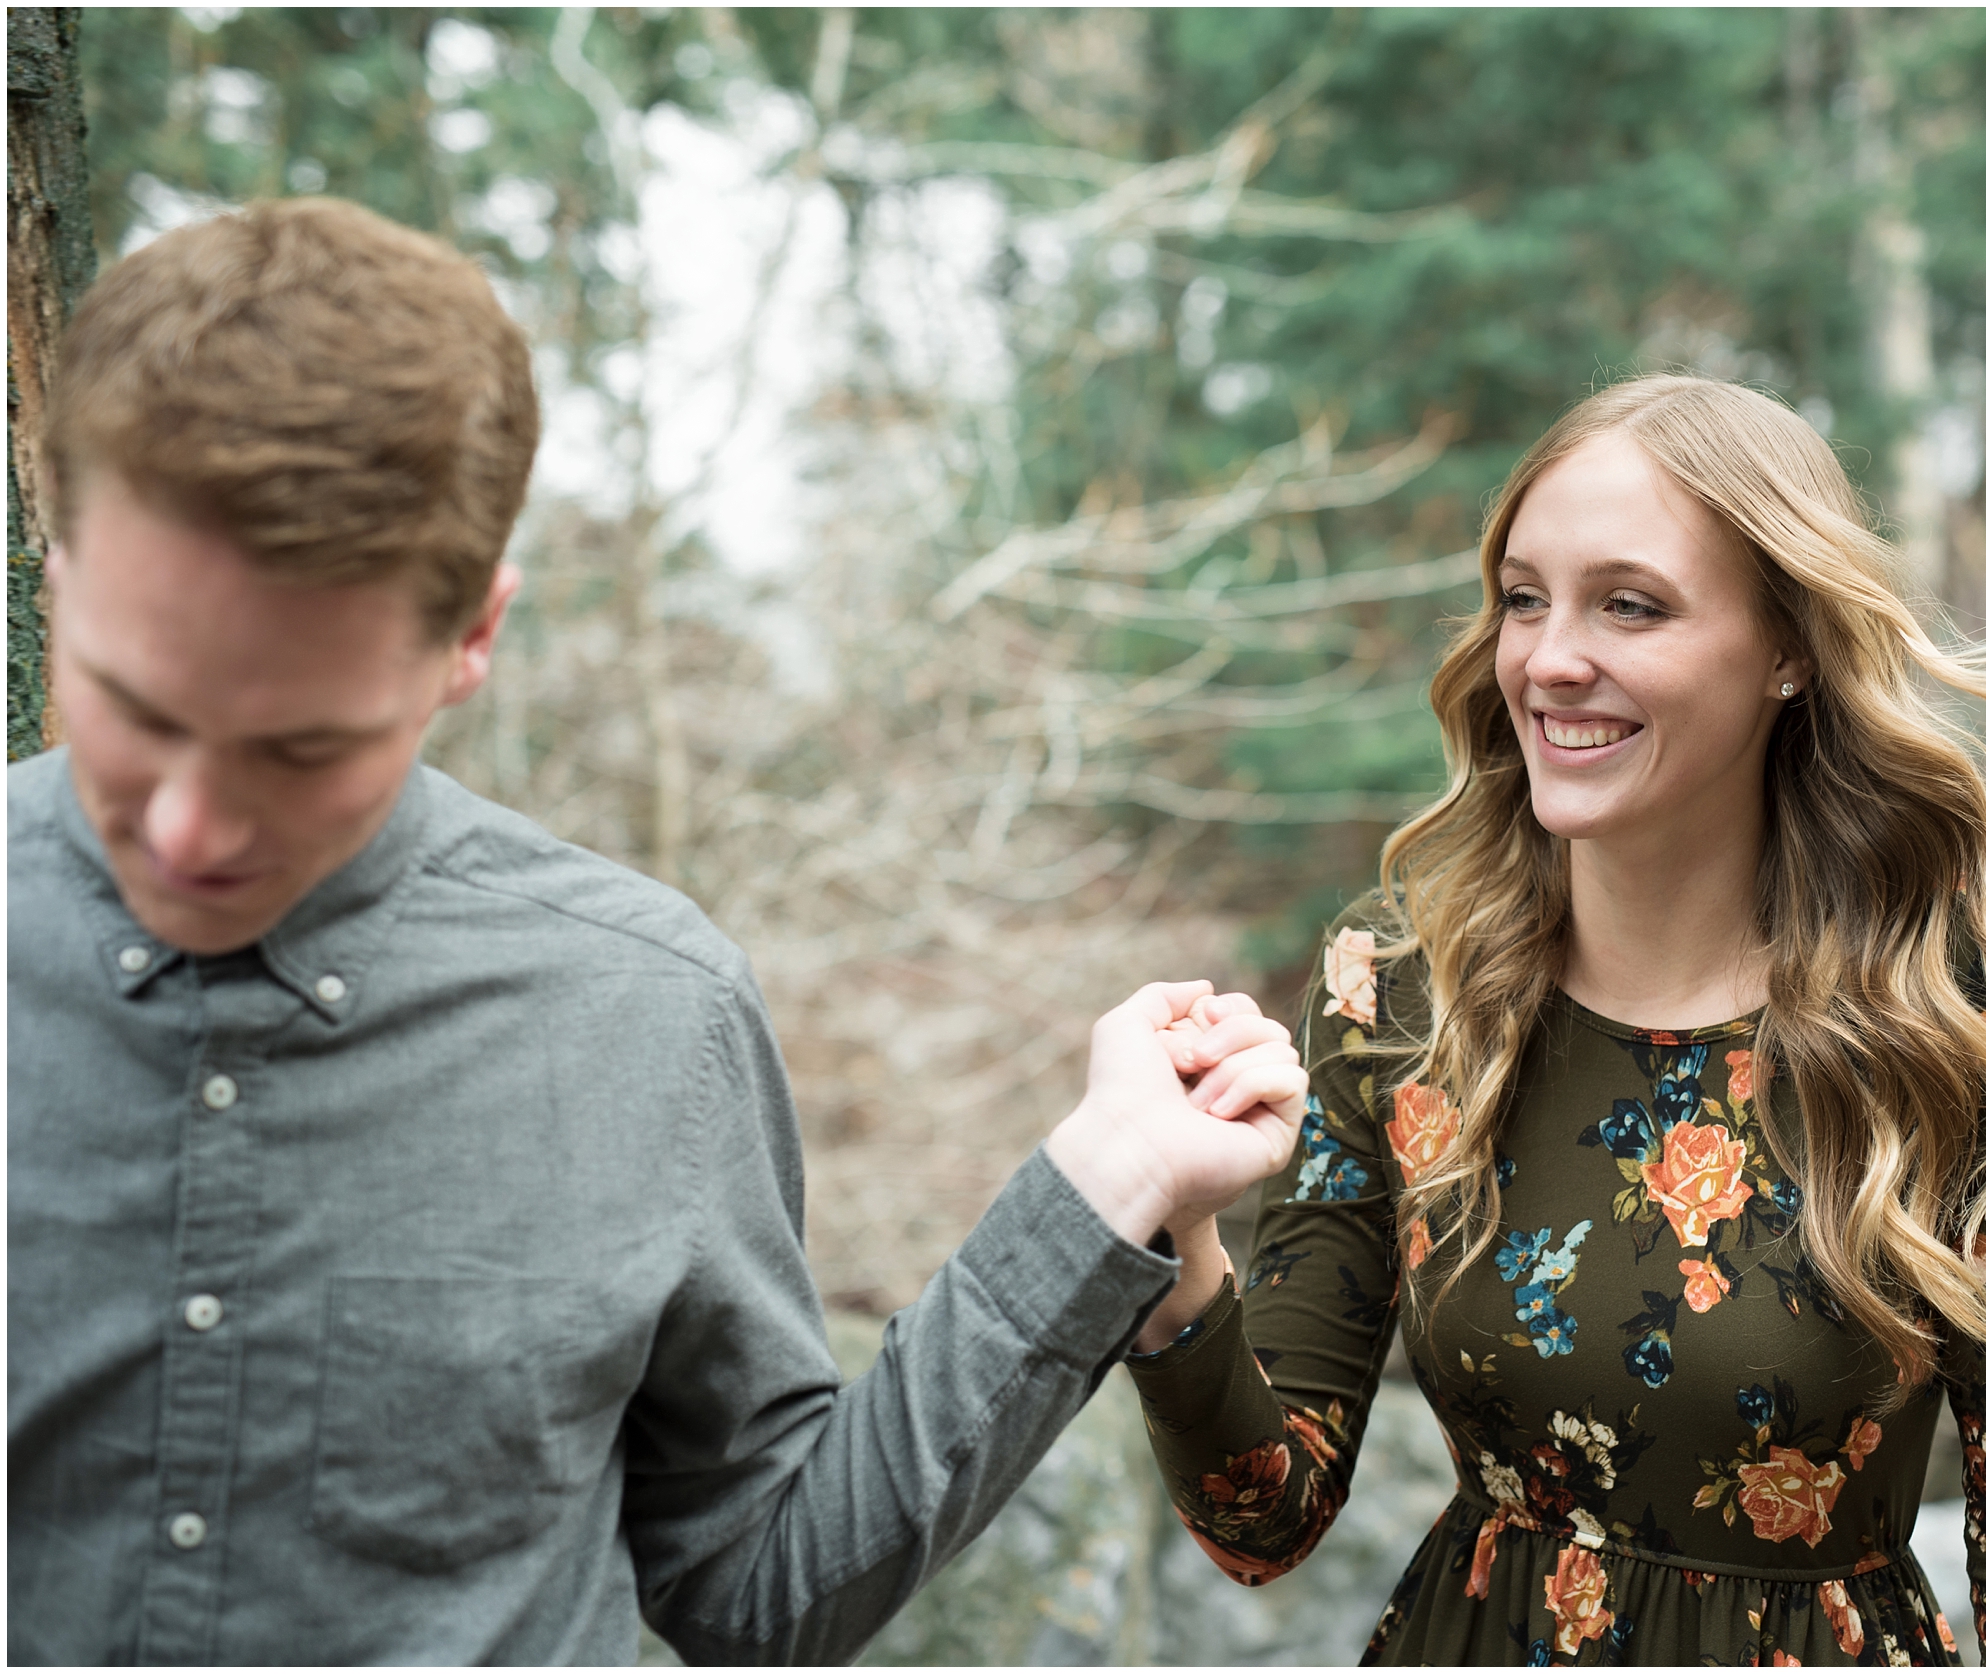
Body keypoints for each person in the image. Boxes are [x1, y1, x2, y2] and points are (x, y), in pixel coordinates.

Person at [5, 197, 1305, 1665]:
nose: (188, 828)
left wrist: (1111, 1181)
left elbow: (754, 1589)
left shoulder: (644, 1013)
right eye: (137, 709)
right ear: (51, 566)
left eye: (299, 751)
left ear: (473, 637)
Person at [1125, 375, 1986, 1667]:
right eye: (1524, 597)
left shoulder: (1964, 1022)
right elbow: (1259, 1520)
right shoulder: (1398, 997)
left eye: (1631, 605)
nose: (1549, 659)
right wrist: (1181, 1233)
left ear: (1788, 649)